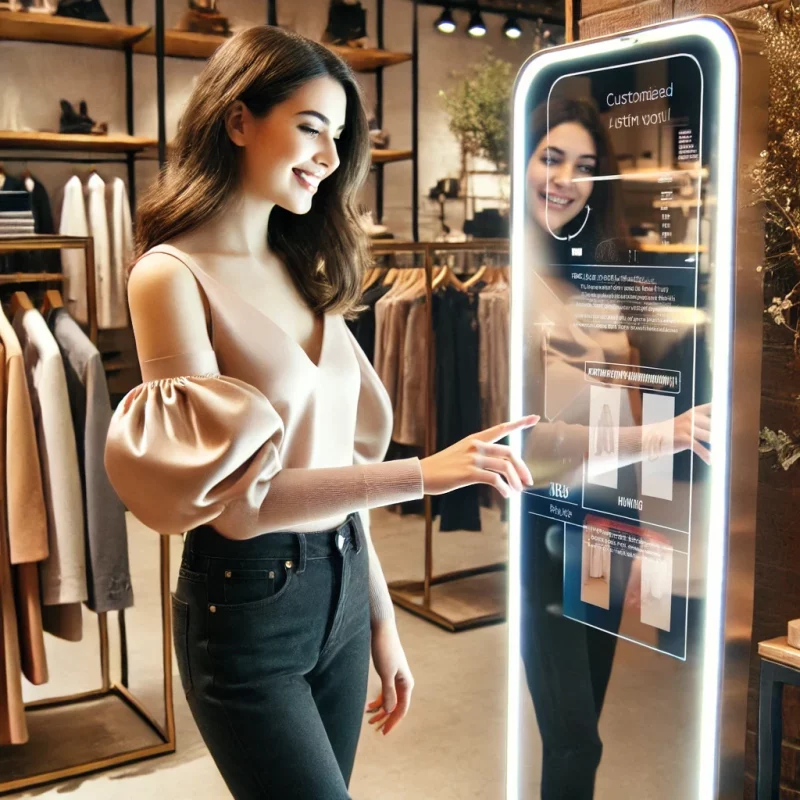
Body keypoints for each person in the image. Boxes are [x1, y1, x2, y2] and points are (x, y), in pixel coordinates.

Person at [103, 26, 537, 800]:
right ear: (237, 120)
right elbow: (239, 509)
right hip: (246, 607)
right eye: (310, 128)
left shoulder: (304, 268)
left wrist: (380, 624)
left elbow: (337, 464)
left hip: (340, 587)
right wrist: (421, 476)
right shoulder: (169, 278)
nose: (330, 158)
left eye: (338, 137)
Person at [519, 98, 711, 799]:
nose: (566, 177)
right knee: (575, 733)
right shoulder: (511, 285)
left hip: (607, 522)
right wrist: (664, 432)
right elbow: (530, 442)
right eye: (551, 157)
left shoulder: (599, 277)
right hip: (545, 524)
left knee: (582, 732)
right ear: (524, 163)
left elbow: (634, 391)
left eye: (585, 166)